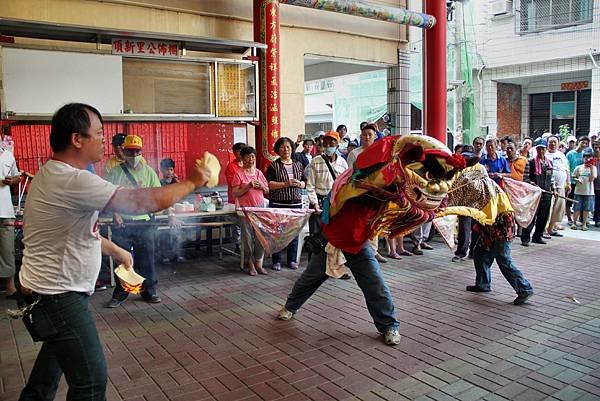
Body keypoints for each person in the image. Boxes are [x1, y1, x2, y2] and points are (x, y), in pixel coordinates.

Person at [18, 103, 211, 400]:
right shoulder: (72, 179)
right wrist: (193, 182)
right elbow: (142, 201)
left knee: (46, 376)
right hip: (60, 296)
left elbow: (75, 231)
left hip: (50, 294)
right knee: (91, 385)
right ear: (77, 139)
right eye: (98, 133)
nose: (104, 140)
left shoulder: (54, 172)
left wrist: (115, 249)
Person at [448, 149, 534, 305]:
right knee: (480, 252)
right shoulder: (472, 176)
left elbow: (459, 197)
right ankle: (483, 284)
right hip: (488, 221)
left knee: (503, 258)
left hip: (500, 220)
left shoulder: (474, 178)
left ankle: (524, 288)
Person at [106, 134, 163, 307]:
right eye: (130, 151)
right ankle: (121, 292)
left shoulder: (149, 172)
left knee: (147, 259)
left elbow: (158, 195)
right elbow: (109, 197)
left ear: (142, 151)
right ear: (124, 151)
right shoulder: (115, 172)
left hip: (145, 223)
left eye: (137, 151)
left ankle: (149, 291)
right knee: (122, 260)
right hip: (122, 223)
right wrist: (115, 213)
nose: (134, 155)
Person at [266, 137, 306, 270]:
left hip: (295, 204)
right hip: (278, 204)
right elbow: (270, 184)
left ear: (292, 149)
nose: (286, 149)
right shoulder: (274, 165)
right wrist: (286, 184)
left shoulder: (298, 164)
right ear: (278, 150)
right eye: (282, 147)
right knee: (277, 233)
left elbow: (305, 182)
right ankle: (276, 260)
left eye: (288, 147)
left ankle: (292, 260)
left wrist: (300, 184)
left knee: (293, 232)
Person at [232, 146, 269, 276]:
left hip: (259, 209)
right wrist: (247, 187)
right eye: (248, 157)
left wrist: (262, 186)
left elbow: (267, 190)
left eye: (252, 157)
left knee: (260, 237)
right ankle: (250, 263)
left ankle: (258, 262)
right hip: (245, 210)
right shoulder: (238, 174)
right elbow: (235, 193)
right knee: (247, 237)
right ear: (242, 158)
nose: (251, 159)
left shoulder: (259, 173)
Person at [306, 131, 348, 235]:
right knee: (317, 237)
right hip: (319, 203)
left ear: (337, 145)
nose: (328, 146)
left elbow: (346, 186)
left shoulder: (343, 163)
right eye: (326, 143)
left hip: (336, 204)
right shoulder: (316, 161)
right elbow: (310, 186)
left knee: (335, 236)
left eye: (331, 143)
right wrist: (315, 203)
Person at [521, 138, 554, 246]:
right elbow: (525, 178)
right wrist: (535, 186)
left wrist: (553, 189)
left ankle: (538, 236)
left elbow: (551, 179)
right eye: (539, 149)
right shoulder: (530, 162)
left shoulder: (549, 163)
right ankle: (525, 237)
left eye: (543, 149)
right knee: (531, 216)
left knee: (543, 217)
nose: (541, 151)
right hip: (535, 195)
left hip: (547, 194)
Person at [0, 142, 20, 299]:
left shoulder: (7, 155)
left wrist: (12, 180)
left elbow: (17, 177)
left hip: (5, 210)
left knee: (7, 250)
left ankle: (10, 287)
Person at [452, 145, 476, 262]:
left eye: (469, 157)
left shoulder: (480, 168)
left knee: (476, 228)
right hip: (463, 202)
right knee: (464, 228)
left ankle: (474, 252)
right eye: (464, 157)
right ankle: (461, 252)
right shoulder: (458, 169)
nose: (467, 160)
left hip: (477, 203)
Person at [158, 158, 185, 264]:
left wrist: (177, 182)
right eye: (166, 170)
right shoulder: (160, 183)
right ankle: (165, 256)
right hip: (164, 213)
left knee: (176, 234)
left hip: (176, 212)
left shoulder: (176, 182)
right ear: (161, 170)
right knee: (164, 234)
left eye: (171, 170)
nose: (169, 172)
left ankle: (177, 255)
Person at [545, 136, 570, 236]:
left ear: (558, 143)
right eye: (550, 142)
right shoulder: (545, 154)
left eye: (555, 142)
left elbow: (566, 169)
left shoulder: (561, 155)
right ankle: (544, 230)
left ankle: (551, 229)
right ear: (547, 143)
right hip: (549, 188)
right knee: (548, 209)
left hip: (561, 186)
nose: (553, 144)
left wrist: (568, 183)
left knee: (558, 209)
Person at [225, 142, 246, 252]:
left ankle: (246, 244)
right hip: (235, 200)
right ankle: (238, 244)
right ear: (234, 153)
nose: (241, 153)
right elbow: (233, 184)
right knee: (237, 223)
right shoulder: (231, 167)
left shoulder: (249, 165)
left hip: (248, 200)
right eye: (238, 151)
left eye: (243, 150)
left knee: (246, 223)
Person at [566, 136, 590, 224]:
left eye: (586, 143)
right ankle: (569, 218)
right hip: (571, 181)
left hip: (581, 183)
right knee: (569, 200)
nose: (584, 145)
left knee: (580, 201)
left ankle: (580, 218)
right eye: (582, 142)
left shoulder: (584, 154)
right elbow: (567, 167)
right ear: (578, 142)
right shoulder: (570, 154)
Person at [571, 148, 597, 231]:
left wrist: (592, 168)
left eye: (589, 158)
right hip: (578, 191)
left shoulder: (594, 168)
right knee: (576, 208)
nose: (587, 159)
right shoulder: (579, 167)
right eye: (585, 158)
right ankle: (574, 223)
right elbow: (573, 176)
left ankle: (584, 224)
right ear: (583, 158)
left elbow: (592, 179)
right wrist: (577, 179)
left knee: (586, 209)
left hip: (589, 192)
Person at [594, 141, 600, 227]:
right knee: (596, 203)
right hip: (594, 186)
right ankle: (597, 219)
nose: (598, 150)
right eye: (595, 148)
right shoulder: (591, 159)